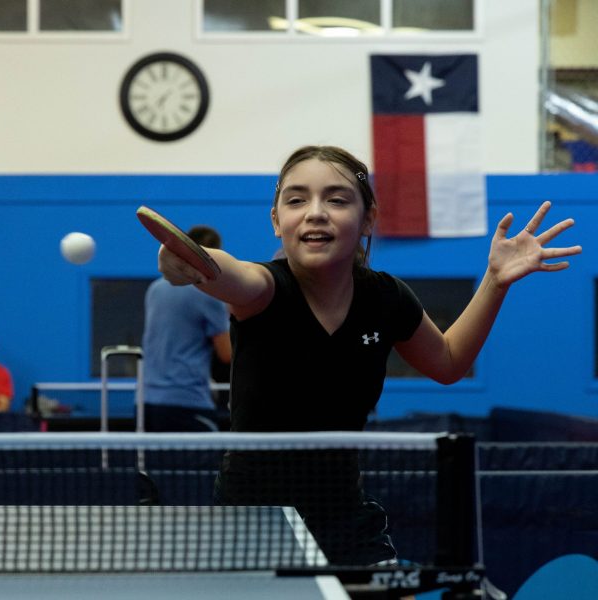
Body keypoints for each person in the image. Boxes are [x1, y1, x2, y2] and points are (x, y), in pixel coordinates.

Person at [156, 145, 581, 564]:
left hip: (344, 513)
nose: (316, 211)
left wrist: (495, 281)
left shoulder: (386, 298)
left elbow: (448, 362)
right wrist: (189, 260)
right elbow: (226, 271)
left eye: (337, 199)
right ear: (276, 221)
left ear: (368, 219)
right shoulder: (264, 290)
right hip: (253, 520)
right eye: (296, 199)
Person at [142, 225, 232, 432]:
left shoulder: (155, 288)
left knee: (159, 465)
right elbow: (227, 354)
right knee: (205, 465)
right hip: (187, 402)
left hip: (146, 401)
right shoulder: (208, 294)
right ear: (214, 257)